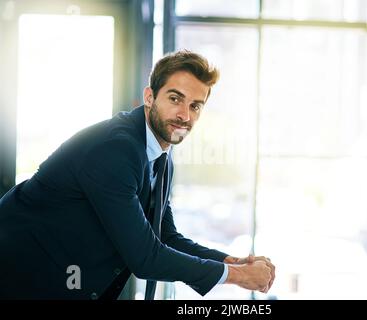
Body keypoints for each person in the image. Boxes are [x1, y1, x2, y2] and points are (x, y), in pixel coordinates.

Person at [0, 50, 275, 300]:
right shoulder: (116, 149)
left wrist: (233, 263)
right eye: (175, 98)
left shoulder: (161, 158)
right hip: (17, 276)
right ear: (149, 97)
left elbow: (165, 237)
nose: (184, 115)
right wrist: (239, 278)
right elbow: (145, 257)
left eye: (195, 106)